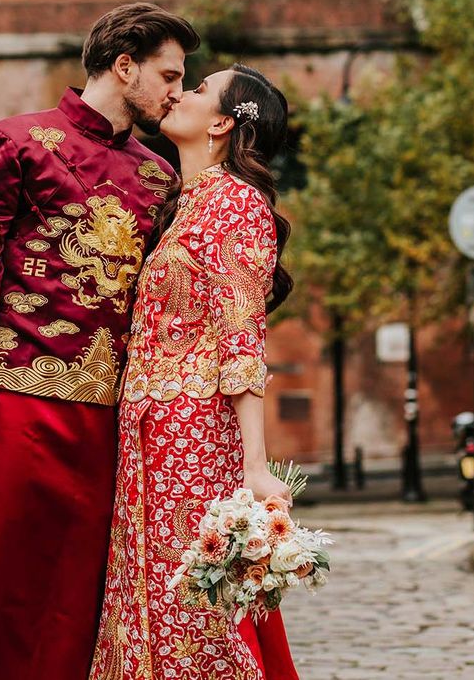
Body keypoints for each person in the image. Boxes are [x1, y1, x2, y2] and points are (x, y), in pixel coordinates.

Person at [0, 3, 200, 680]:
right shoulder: (17, 142)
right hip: (14, 410)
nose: (178, 91)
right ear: (124, 66)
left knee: (83, 598)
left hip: (114, 425)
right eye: (169, 74)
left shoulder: (159, 177)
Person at [89, 65, 300, 679]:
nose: (181, 92)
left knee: (190, 604)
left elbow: (241, 338)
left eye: (200, 89)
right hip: (149, 431)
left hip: (193, 434)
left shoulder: (237, 206)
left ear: (222, 124)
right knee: (145, 595)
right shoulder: (187, 206)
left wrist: (255, 466)